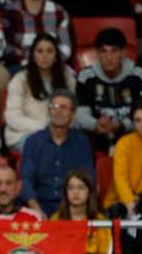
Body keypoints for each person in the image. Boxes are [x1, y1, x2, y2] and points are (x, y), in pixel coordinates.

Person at [76, 28, 142, 152]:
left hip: (131, 131)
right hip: (97, 133)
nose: (109, 57)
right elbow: (81, 116)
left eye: (114, 51)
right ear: (97, 53)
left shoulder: (139, 75)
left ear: (123, 53)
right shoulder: (86, 77)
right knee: (79, 138)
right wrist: (96, 124)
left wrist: (122, 125)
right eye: (103, 52)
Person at [20, 89, 95, 217]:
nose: (58, 111)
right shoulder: (33, 141)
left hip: (72, 207)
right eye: (54, 106)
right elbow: (26, 180)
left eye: (64, 107)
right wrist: (36, 209)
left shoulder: (82, 142)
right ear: (49, 111)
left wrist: (73, 211)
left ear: (73, 113)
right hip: (39, 206)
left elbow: (88, 178)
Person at [5, 33, 76, 152]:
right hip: (25, 134)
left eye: (49, 51)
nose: (44, 56)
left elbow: (74, 112)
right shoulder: (20, 79)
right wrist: (44, 129)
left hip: (61, 133)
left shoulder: (67, 78)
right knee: (47, 148)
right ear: (33, 55)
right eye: (39, 51)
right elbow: (12, 117)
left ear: (56, 56)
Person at [0, 0, 72, 72]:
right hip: (20, 66)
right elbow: (6, 46)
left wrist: (51, 62)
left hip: (53, 66)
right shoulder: (9, 12)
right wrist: (26, 63)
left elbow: (66, 47)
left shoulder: (59, 12)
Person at [50, 169, 111, 254]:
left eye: (81, 188)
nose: (76, 192)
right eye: (71, 188)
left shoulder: (101, 222)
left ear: (89, 192)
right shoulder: (55, 221)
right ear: (65, 192)